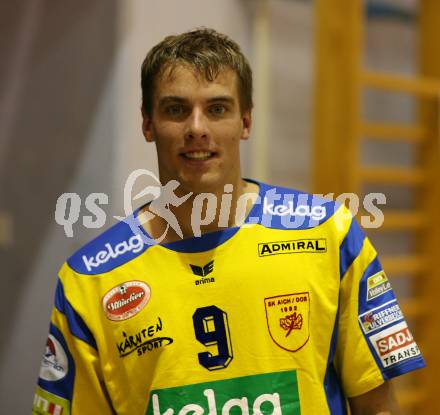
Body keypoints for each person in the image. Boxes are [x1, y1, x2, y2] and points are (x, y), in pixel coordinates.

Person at [33, 28, 425, 415]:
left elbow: (377, 407)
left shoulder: (329, 235)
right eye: (176, 109)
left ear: (246, 122)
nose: (197, 129)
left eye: (217, 109)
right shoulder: (89, 280)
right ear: (148, 124)